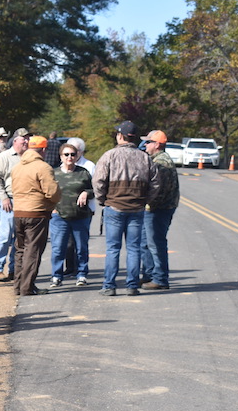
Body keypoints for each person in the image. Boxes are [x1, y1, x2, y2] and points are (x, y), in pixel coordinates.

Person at [93, 121, 160, 297]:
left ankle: (109, 286)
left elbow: (98, 181)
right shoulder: (144, 157)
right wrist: (144, 200)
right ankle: (132, 286)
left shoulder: (109, 156)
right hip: (136, 209)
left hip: (114, 207)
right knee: (134, 248)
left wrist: (103, 200)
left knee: (113, 249)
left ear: (120, 136)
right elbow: (155, 183)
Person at [10, 135, 60, 296]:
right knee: (33, 250)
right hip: (37, 213)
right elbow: (52, 193)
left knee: (20, 250)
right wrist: (55, 199)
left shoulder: (18, 167)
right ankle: (27, 287)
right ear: (44, 149)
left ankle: (18, 286)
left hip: (18, 212)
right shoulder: (43, 167)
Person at [49, 142, 94, 288]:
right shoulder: (54, 173)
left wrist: (86, 193)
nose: (70, 157)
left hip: (80, 216)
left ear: (77, 156)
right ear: (61, 156)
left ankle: (81, 274)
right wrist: (51, 208)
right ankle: (57, 275)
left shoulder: (83, 172)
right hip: (59, 216)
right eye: (66, 154)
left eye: (73, 154)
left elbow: (94, 189)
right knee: (58, 248)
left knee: (81, 248)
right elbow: (47, 193)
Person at [141, 130, 179, 290]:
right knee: (146, 244)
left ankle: (160, 279)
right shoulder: (156, 160)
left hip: (158, 209)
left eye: (148, 142)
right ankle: (149, 275)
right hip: (153, 209)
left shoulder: (161, 163)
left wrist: (146, 202)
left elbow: (159, 190)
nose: (145, 145)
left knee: (156, 244)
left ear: (157, 144)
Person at [0, 127, 30, 281]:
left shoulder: (29, 157)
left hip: (25, 201)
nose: (26, 141)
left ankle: (14, 269)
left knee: (20, 237)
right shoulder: (4, 157)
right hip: (9, 200)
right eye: (23, 139)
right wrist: (4, 198)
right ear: (15, 141)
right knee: (5, 235)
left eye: (28, 139)